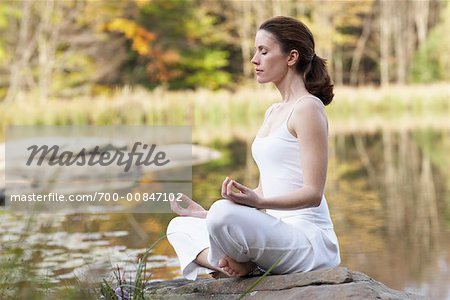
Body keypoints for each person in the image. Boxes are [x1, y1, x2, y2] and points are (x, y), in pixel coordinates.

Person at [167, 16, 340, 280]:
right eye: (255, 51)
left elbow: (312, 193)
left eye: (264, 51)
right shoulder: (273, 112)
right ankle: (239, 264)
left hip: (307, 240)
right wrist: (204, 213)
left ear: (291, 57)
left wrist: (257, 202)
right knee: (179, 226)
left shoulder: (308, 108)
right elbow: (265, 189)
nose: (254, 60)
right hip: (274, 231)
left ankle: (240, 264)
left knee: (223, 213)